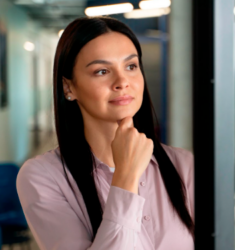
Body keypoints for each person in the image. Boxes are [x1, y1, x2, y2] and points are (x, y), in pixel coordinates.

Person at [16, 16, 194, 250]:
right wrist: (126, 177)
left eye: (131, 66)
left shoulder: (184, 165)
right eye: (101, 71)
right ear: (69, 87)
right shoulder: (42, 177)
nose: (122, 82)